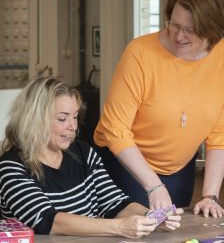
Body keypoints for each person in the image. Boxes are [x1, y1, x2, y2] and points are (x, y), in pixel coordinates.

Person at [94, 0, 224, 218]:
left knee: (174, 233)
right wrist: (154, 185)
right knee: (139, 229)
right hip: (127, 163)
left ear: (211, 32)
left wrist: (210, 196)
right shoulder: (140, 53)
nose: (178, 36)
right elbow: (115, 130)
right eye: (174, 24)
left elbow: (222, 132)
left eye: (190, 30)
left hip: (180, 167)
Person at [0, 77, 183, 237]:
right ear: (35, 120)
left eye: (75, 117)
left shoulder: (83, 152)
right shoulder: (10, 166)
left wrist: (152, 217)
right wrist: (118, 227)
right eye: (62, 119)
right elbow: (48, 221)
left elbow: (115, 204)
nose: (73, 126)